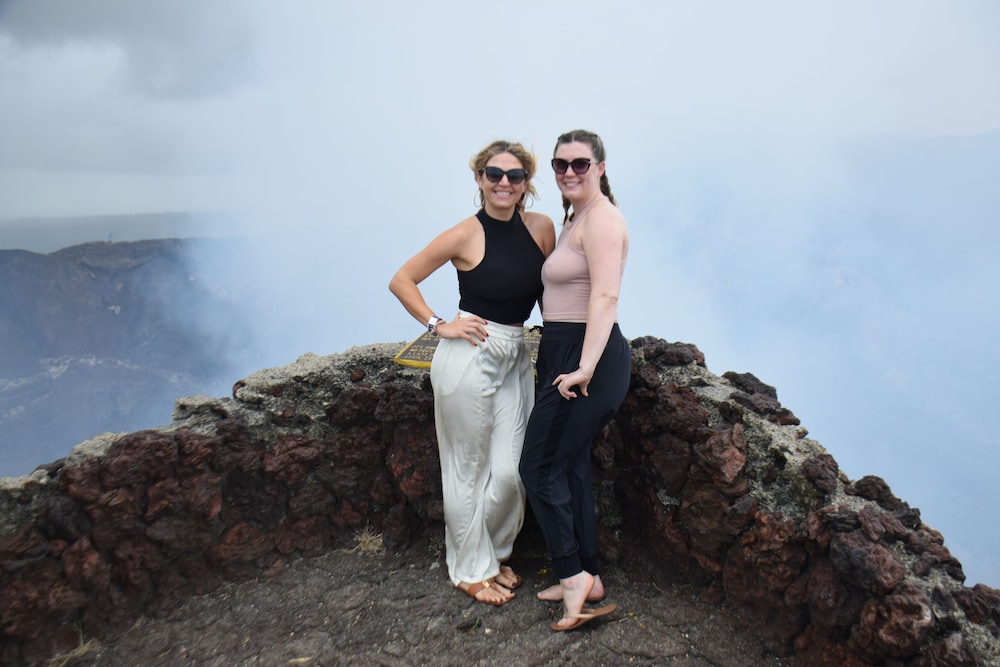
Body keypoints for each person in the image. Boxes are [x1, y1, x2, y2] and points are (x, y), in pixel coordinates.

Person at [389, 140, 556, 606]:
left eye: (515, 175)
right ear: (480, 178)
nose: (504, 182)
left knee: (510, 471)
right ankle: (469, 570)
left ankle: (493, 556)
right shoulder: (464, 233)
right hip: (470, 354)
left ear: (526, 182)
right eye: (494, 174)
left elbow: (550, 296)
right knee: (466, 470)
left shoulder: (542, 229)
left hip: (515, 354)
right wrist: (439, 324)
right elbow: (402, 280)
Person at [519, 129, 631, 631]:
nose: (569, 172)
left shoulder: (603, 218)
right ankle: (590, 574)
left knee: (538, 467)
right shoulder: (574, 217)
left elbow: (605, 297)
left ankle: (572, 576)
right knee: (570, 469)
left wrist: (584, 366)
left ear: (600, 168)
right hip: (563, 348)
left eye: (580, 163)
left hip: (589, 356)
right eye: (560, 164)